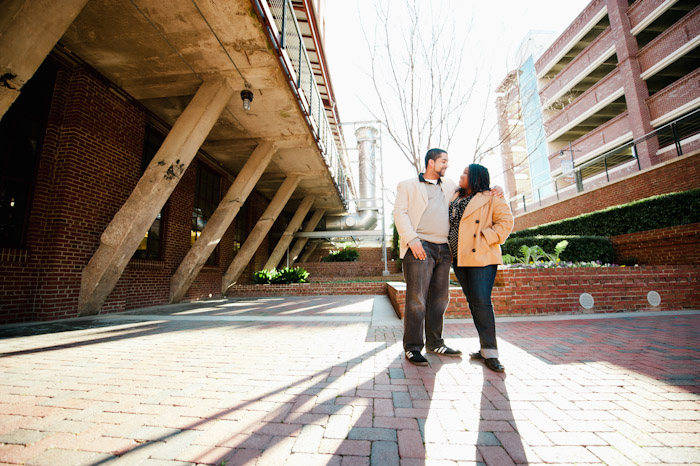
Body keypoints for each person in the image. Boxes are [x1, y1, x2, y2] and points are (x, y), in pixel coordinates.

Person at [393, 149, 463, 365]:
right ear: (431, 163)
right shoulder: (407, 185)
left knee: (441, 298)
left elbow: (471, 192)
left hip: (444, 248)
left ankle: (435, 342)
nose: (447, 165)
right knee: (417, 300)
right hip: (420, 245)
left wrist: (494, 189)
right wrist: (412, 240)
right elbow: (399, 213)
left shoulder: (450, 185)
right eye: (444, 161)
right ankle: (413, 347)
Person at [449, 163, 514, 372]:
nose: (461, 174)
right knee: (474, 302)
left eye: (466, 173)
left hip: (481, 256)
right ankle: (484, 348)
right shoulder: (454, 196)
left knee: (482, 303)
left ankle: (491, 352)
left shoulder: (492, 197)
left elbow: (506, 222)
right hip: (459, 257)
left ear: (477, 177)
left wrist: (485, 239)